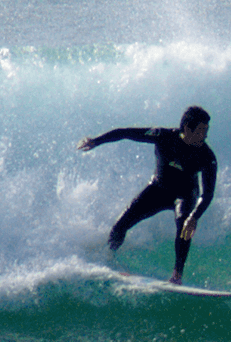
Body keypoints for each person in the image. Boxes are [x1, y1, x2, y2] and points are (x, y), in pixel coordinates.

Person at [77, 106, 217, 284]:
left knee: (184, 227)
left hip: (185, 195)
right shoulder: (163, 135)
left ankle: (176, 276)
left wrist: (195, 216)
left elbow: (208, 194)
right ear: (187, 129)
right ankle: (109, 258)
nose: (205, 136)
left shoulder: (207, 156)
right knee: (120, 226)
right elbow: (125, 132)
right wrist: (96, 141)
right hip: (158, 189)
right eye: (201, 131)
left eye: (206, 131)